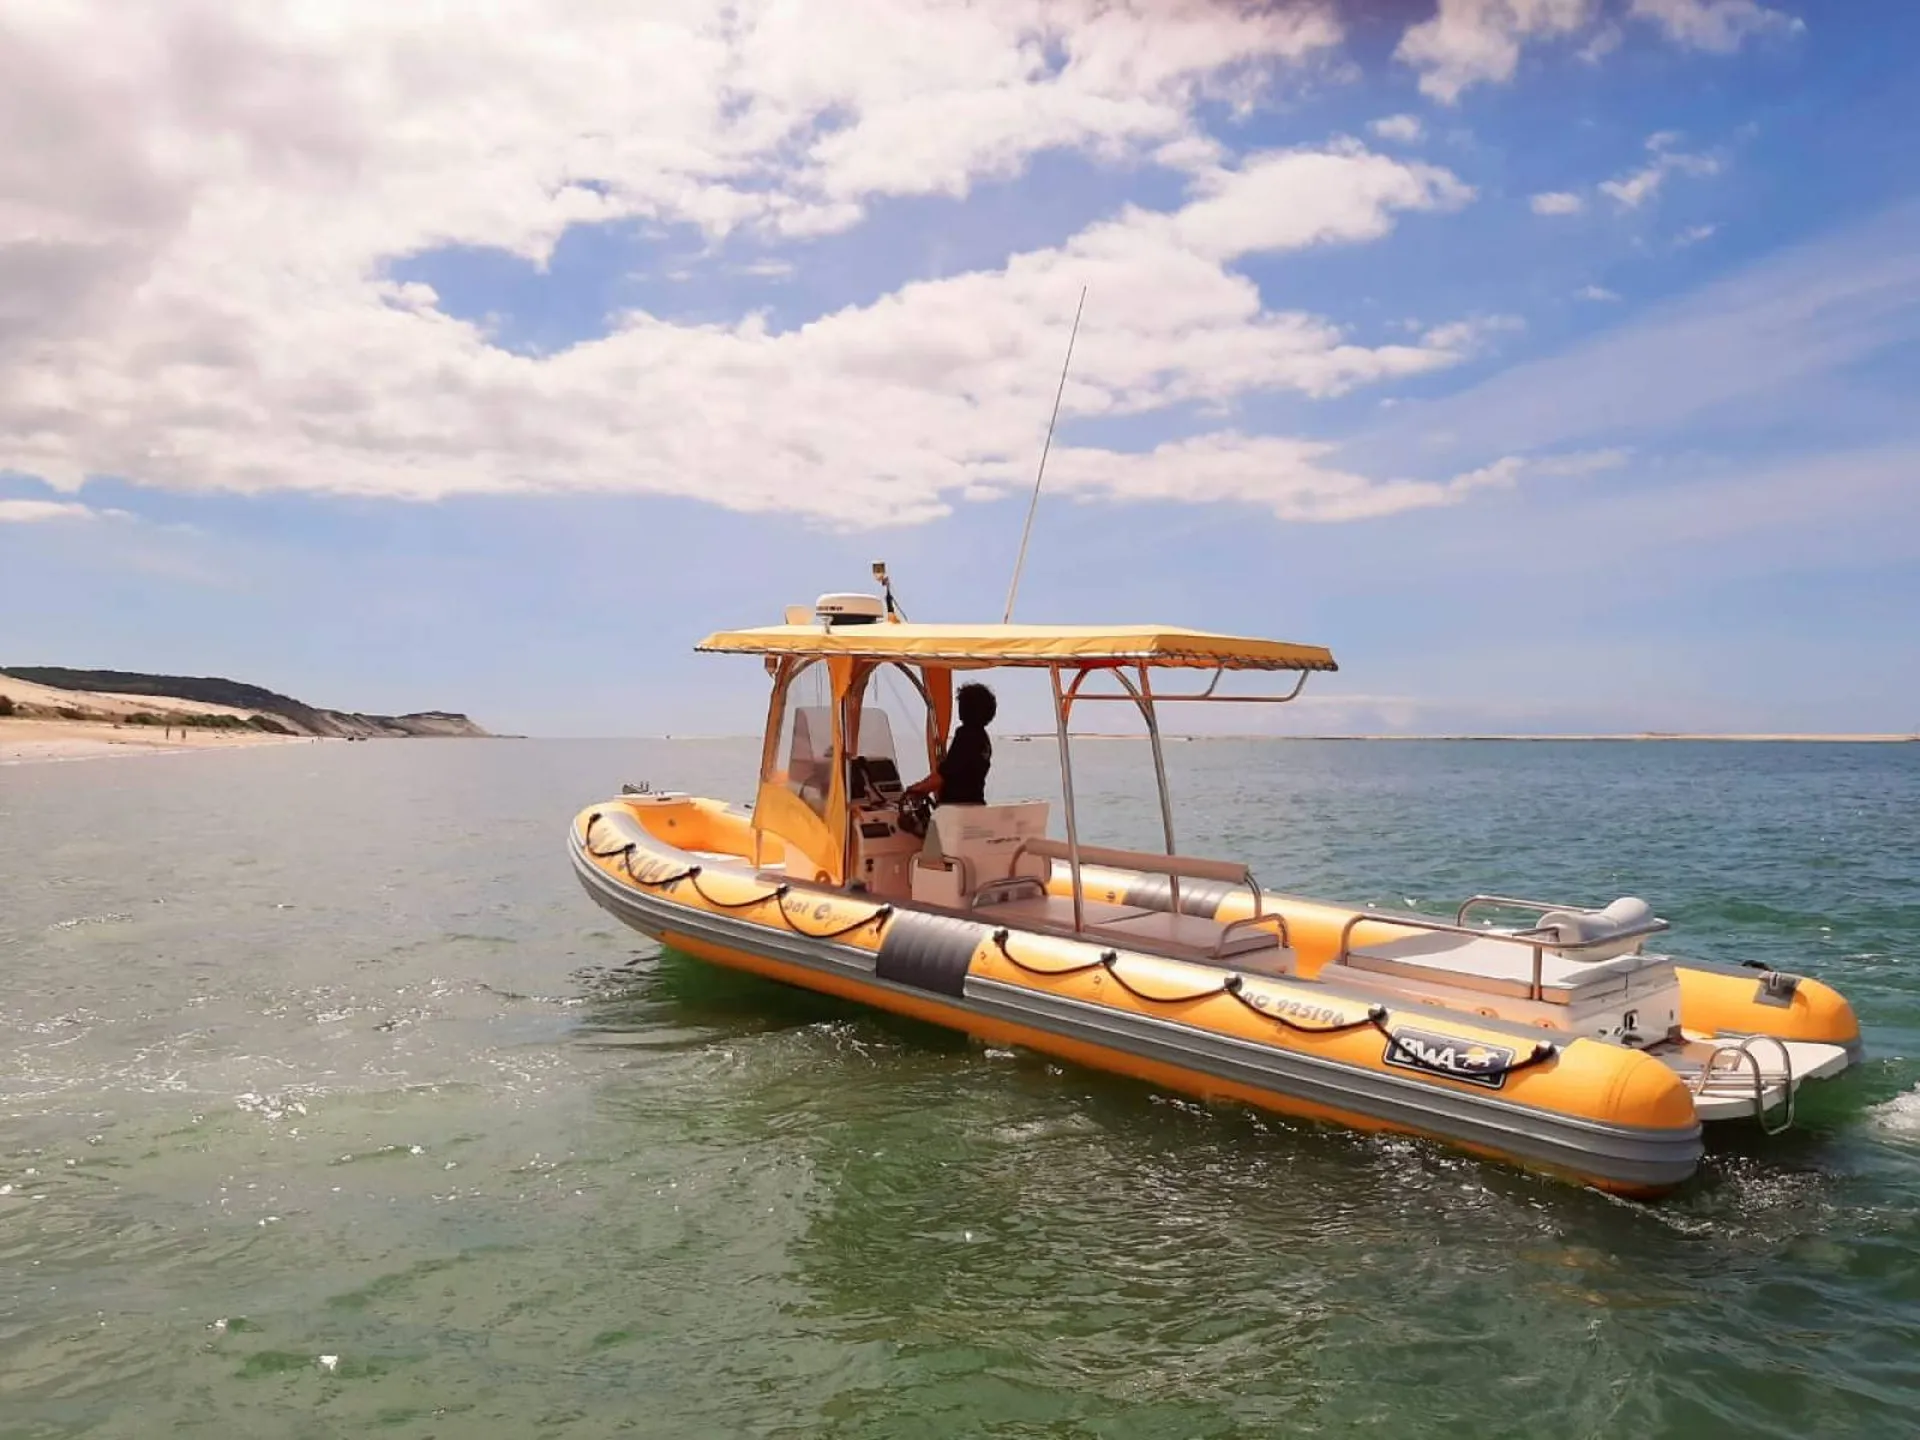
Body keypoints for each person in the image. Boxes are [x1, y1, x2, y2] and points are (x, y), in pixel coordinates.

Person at [905, 681, 995, 807]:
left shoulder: (966, 736)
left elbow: (944, 775)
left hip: (957, 813)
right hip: (976, 807)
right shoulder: (983, 739)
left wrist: (916, 789)